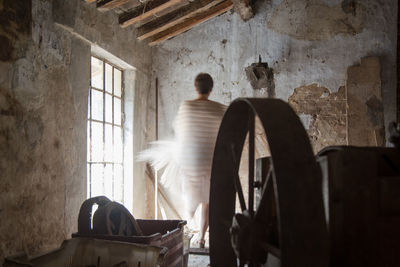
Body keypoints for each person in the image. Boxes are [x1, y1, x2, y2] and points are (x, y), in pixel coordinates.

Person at [174, 73, 226, 248]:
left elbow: (181, 133)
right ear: (211, 89)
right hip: (210, 161)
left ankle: (186, 230)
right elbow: (224, 134)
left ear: (196, 88)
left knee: (190, 198)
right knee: (207, 202)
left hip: (192, 160)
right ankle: (202, 237)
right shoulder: (219, 108)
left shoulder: (186, 106)